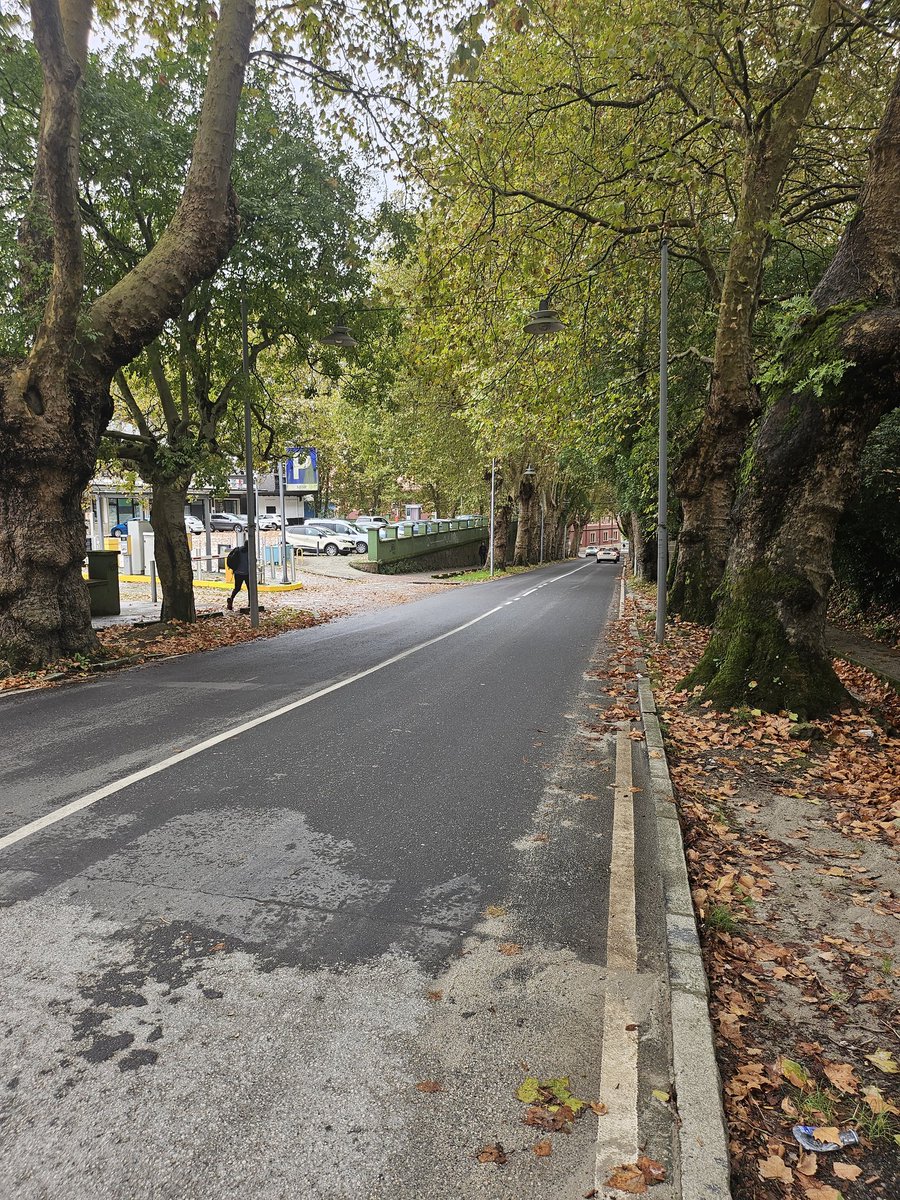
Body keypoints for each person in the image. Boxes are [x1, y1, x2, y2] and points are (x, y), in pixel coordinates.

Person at [226, 540, 250, 610]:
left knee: (237, 588)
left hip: (238, 573)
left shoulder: (238, 550)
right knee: (250, 589)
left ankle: (231, 599)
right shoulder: (250, 552)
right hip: (247, 573)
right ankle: (250, 603)